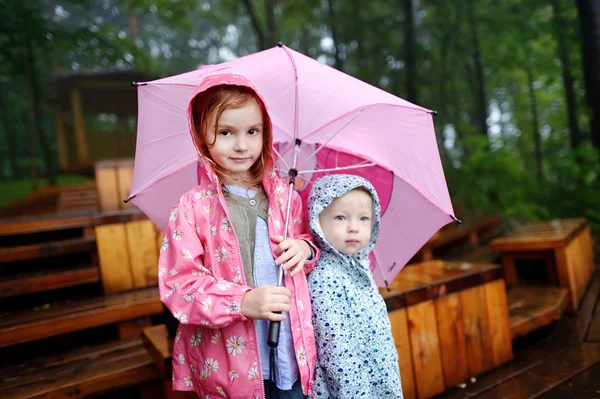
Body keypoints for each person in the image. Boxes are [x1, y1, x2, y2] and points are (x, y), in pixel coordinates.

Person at [158, 74, 319, 399]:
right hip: (229, 366)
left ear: (266, 133)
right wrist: (242, 302)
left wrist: (305, 248)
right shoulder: (192, 208)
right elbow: (179, 286)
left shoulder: (286, 199)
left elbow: (310, 248)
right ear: (203, 136)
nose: (242, 144)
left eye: (252, 131)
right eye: (226, 132)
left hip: (289, 352)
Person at [306, 174, 403, 398]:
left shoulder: (359, 267)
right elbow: (336, 352)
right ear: (317, 221)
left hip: (379, 376)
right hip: (353, 389)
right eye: (340, 218)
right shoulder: (325, 276)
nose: (353, 228)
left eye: (363, 219)